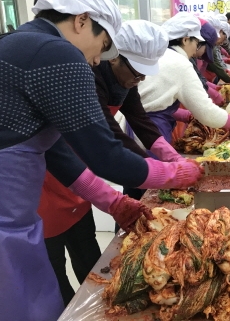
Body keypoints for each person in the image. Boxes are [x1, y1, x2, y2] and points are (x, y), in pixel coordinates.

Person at [0, 0, 203, 321]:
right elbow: (105, 153)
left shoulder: (18, 43)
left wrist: (111, 201)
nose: (96, 60)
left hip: (10, 212)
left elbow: (55, 150)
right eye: (103, 47)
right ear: (81, 20)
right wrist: (171, 174)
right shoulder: (56, 53)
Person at [38, 19, 178, 305]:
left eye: (142, 77)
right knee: (51, 267)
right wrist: (158, 171)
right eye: (136, 74)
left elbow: (138, 118)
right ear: (116, 58)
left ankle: (101, 302)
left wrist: (167, 154)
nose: (137, 81)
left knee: (88, 254)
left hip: (79, 177)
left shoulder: (124, 80)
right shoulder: (88, 75)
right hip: (47, 178)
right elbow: (108, 138)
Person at [132, 12, 230, 144]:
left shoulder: (161, 55)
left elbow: (154, 102)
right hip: (149, 132)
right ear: (185, 39)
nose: (196, 48)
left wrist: (185, 115)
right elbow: (206, 111)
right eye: (196, 42)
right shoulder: (180, 63)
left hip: (136, 127)